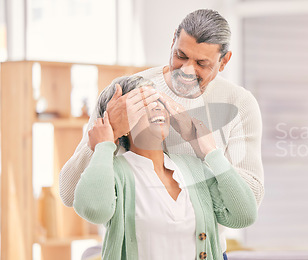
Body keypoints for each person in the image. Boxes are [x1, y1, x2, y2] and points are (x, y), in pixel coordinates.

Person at [59, 9, 264, 254]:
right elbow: (71, 194)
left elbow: (247, 203)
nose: (187, 70)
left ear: (224, 61)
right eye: (180, 55)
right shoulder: (128, 93)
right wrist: (110, 133)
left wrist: (208, 149)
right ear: (172, 42)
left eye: (201, 63)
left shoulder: (239, 104)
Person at [73, 76, 257, 259]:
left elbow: (244, 215)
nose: (157, 106)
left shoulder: (193, 168)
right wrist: (104, 145)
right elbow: (94, 210)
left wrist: (211, 152)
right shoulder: (115, 172)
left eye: (158, 100)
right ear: (123, 123)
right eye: (143, 103)